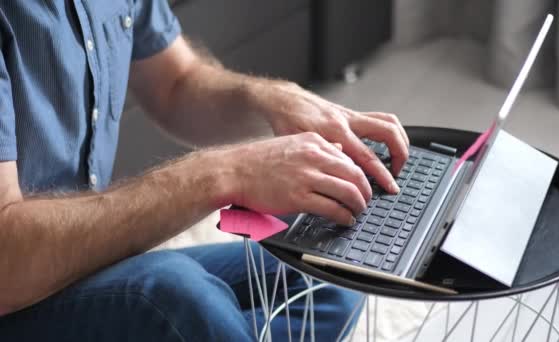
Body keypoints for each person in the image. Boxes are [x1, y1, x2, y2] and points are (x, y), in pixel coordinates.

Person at [0, 1, 409, 341]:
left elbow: (176, 83)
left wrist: (271, 97)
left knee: (327, 277)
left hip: (86, 264)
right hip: (15, 291)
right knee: (170, 295)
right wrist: (224, 173)